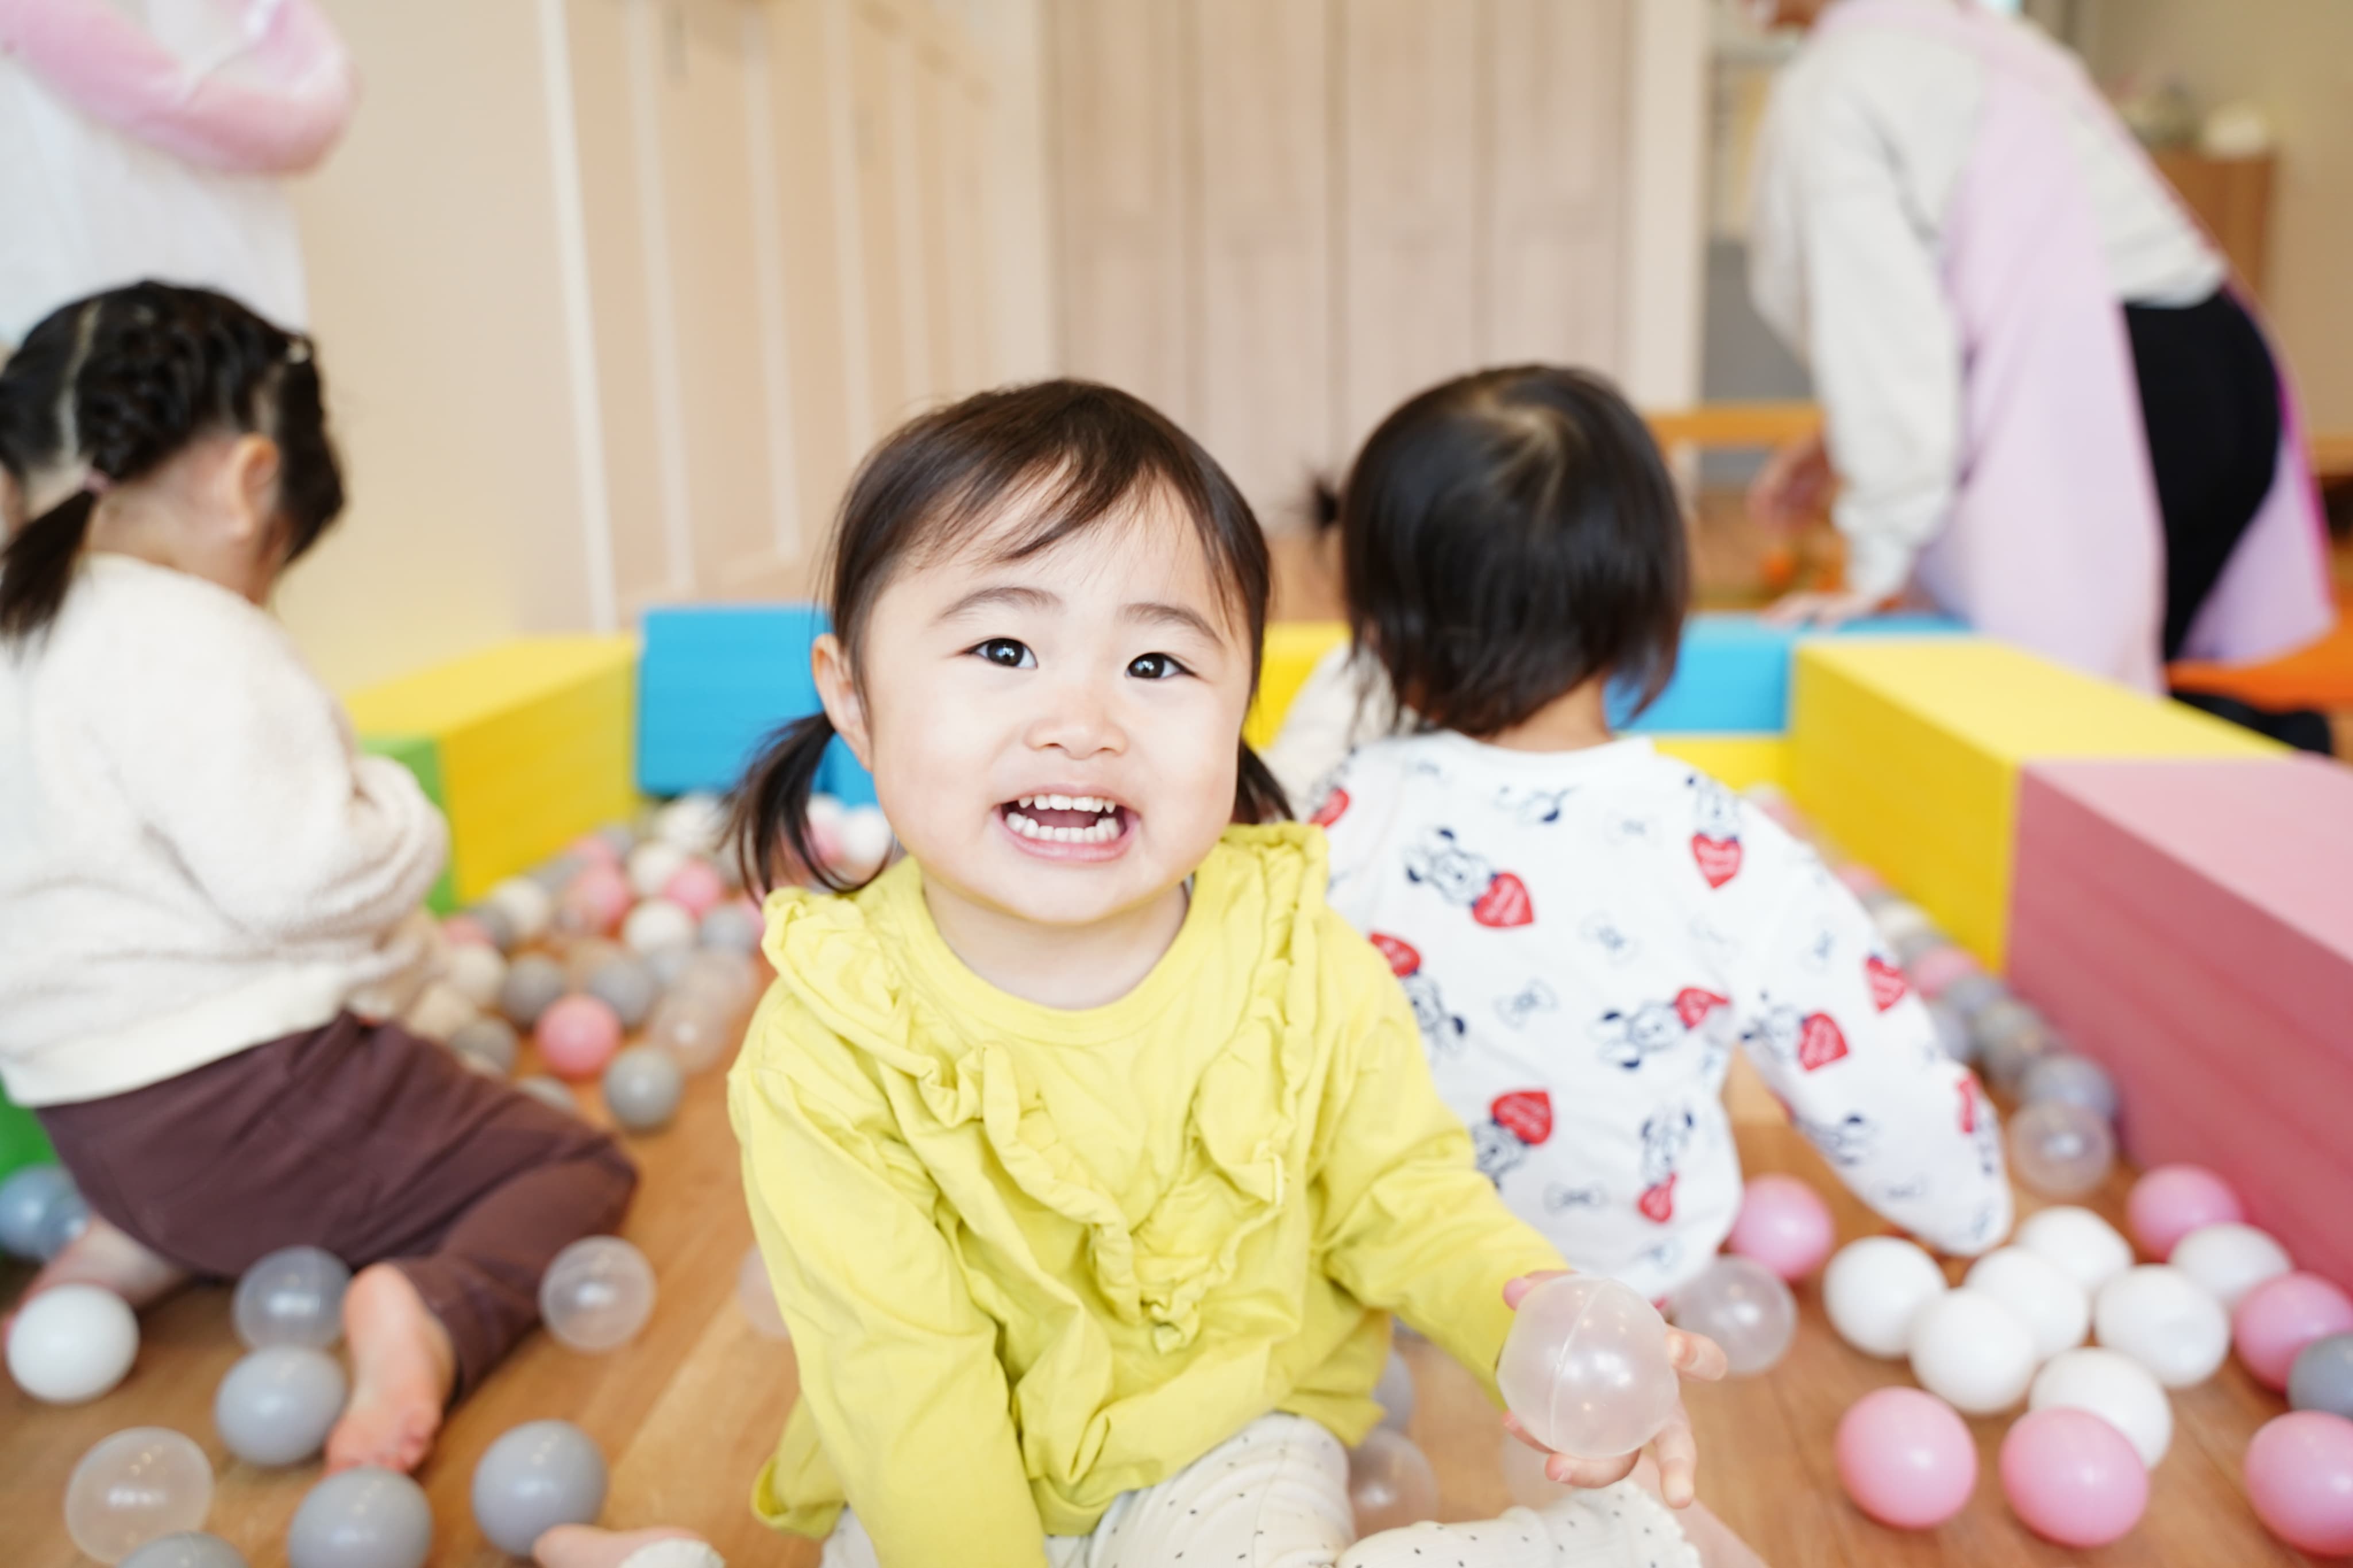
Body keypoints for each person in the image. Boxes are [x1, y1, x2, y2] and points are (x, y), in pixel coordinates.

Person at [541, 381, 1761, 1568]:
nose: (1083, 723)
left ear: (1241, 707)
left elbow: (1406, 1199)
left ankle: (1625, 1538)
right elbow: (904, 1386)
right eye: (1005, 647)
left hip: (1226, 1445)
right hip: (946, 1488)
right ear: (852, 696)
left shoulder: (1296, 957)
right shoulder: (830, 1049)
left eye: (1157, 666)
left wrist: (1532, 1321)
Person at [0, 281, 637, 1472]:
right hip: (247, 1104)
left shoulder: (18, 634)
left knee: (262, 1149)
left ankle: (146, 1238)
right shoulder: (184, 633)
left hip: (91, 1127)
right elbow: (306, 880)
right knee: (572, 1164)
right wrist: (397, 811)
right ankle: (426, 1313)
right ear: (251, 484)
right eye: (273, 563)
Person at [1275, 365, 2010, 1304]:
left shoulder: (1337, 814)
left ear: (1372, 626)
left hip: (1390, 1277)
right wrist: (1968, 1213)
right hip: (1629, 1279)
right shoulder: (1719, 845)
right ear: (1655, 599)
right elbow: (1872, 1065)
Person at [1742, 0, 2332, 712]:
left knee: (2059, 709)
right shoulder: (1986, 40)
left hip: (2115, 398)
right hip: (2225, 371)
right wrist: (1845, 439)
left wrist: (1877, 565)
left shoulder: (1836, 81)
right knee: (2126, 700)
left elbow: (1883, 331)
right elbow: (1997, 280)